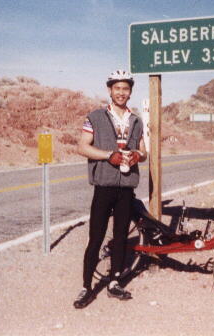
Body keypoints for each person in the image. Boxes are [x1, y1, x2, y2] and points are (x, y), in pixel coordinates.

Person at [73, 70, 147, 309]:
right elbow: (82, 147)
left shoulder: (136, 120)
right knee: (96, 236)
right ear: (110, 90)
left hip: (126, 187)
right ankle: (86, 286)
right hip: (104, 185)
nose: (121, 93)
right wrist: (109, 155)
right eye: (117, 88)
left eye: (126, 89)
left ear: (130, 92)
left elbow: (143, 151)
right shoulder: (95, 116)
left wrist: (137, 155)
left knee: (121, 237)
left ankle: (115, 282)